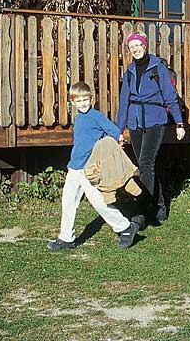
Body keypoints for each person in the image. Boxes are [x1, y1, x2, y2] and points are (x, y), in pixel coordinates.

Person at [47, 81, 139, 251]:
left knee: (98, 202)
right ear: (72, 103)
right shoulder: (79, 118)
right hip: (75, 167)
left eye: (85, 100)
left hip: (89, 168)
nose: (82, 104)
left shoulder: (96, 116)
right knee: (68, 201)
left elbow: (112, 130)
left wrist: (117, 140)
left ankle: (125, 228)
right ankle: (66, 238)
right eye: (78, 101)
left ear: (92, 99)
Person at [116, 31, 185, 226]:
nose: (135, 49)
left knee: (146, 164)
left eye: (138, 45)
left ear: (145, 46)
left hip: (155, 120)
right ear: (129, 50)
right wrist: (119, 130)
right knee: (146, 166)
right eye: (132, 46)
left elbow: (170, 95)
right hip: (135, 121)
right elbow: (123, 103)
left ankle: (142, 211)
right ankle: (160, 205)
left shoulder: (157, 68)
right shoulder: (129, 72)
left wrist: (179, 123)